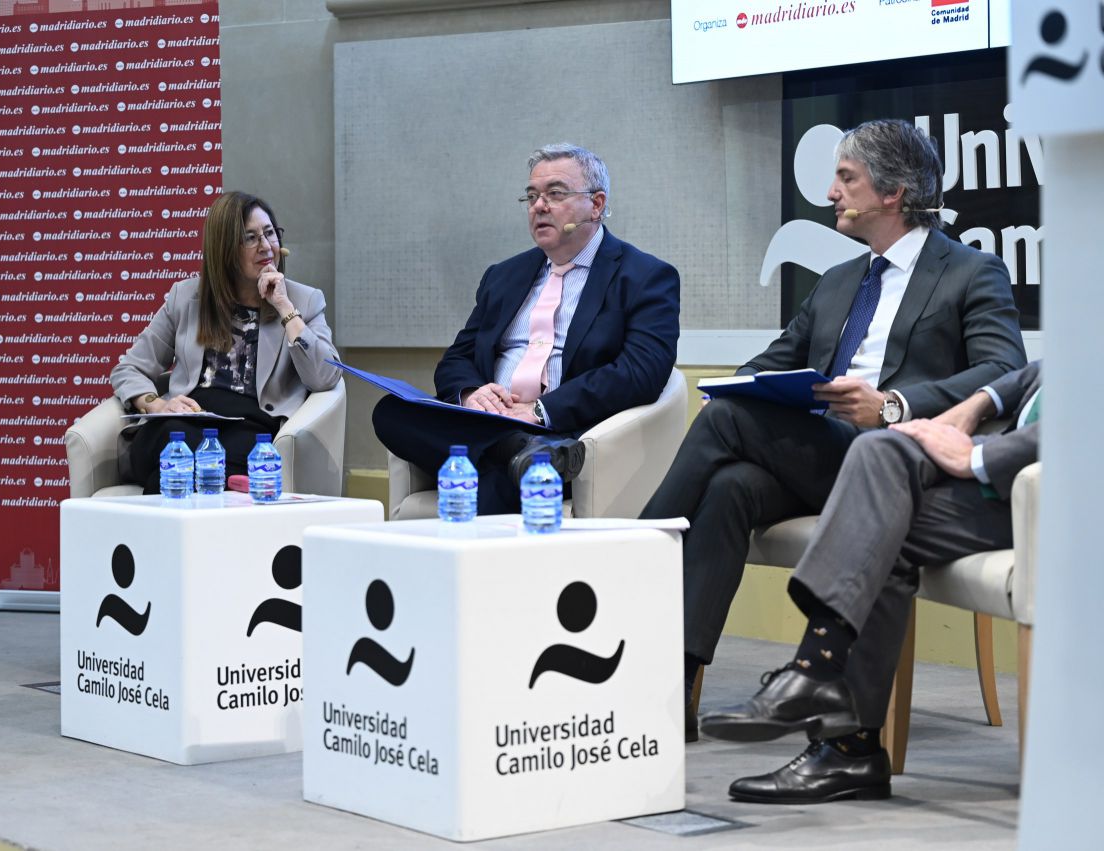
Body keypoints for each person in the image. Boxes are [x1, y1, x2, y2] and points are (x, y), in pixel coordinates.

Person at [638, 119, 1027, 719]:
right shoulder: (839, 281)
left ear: (893, 193)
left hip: (895, 462)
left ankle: (625, 562)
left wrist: (894, 406)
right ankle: (670, 690)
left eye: (846, 178)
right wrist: (738, 386)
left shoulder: (971, 271)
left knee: (723, 425)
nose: (830, 193)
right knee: (729, 486)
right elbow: (770, 362)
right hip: (822, 451)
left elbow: (1004, 368)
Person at [699, 360, 1042, 803]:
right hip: (1004, 479)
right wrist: (978, 403)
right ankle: (840, 730)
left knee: (878, 523)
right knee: (877, 453)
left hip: (1054, 493)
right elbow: (1040, 372)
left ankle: (831, 711)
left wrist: (976, 456)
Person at [372, 143, 681, 514]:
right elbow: (457, 357)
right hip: (487, 422)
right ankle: (518, 450)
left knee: (496, 488)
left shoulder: (644, 276)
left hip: (562, 428)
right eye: (532, 196)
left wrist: (541, 410)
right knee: (391, 411)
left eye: (555, 194)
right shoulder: (504, 275)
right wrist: (472, 395)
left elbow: (641, 371)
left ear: (596, 204)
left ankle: (528, 455)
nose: (539, 206)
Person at [110, 191, 340, 493]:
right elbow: (128, 369)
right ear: (225, 250)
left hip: (250, 431)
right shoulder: (187, 297)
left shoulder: (303, 301)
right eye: (251, 238)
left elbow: (326, 376)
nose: (266, 247)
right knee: (174, 439)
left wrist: (284, 307)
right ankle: (222, 484)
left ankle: (172, 517)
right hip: (183, 426)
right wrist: (157, 404)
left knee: (174, 470)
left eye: (270, 233)